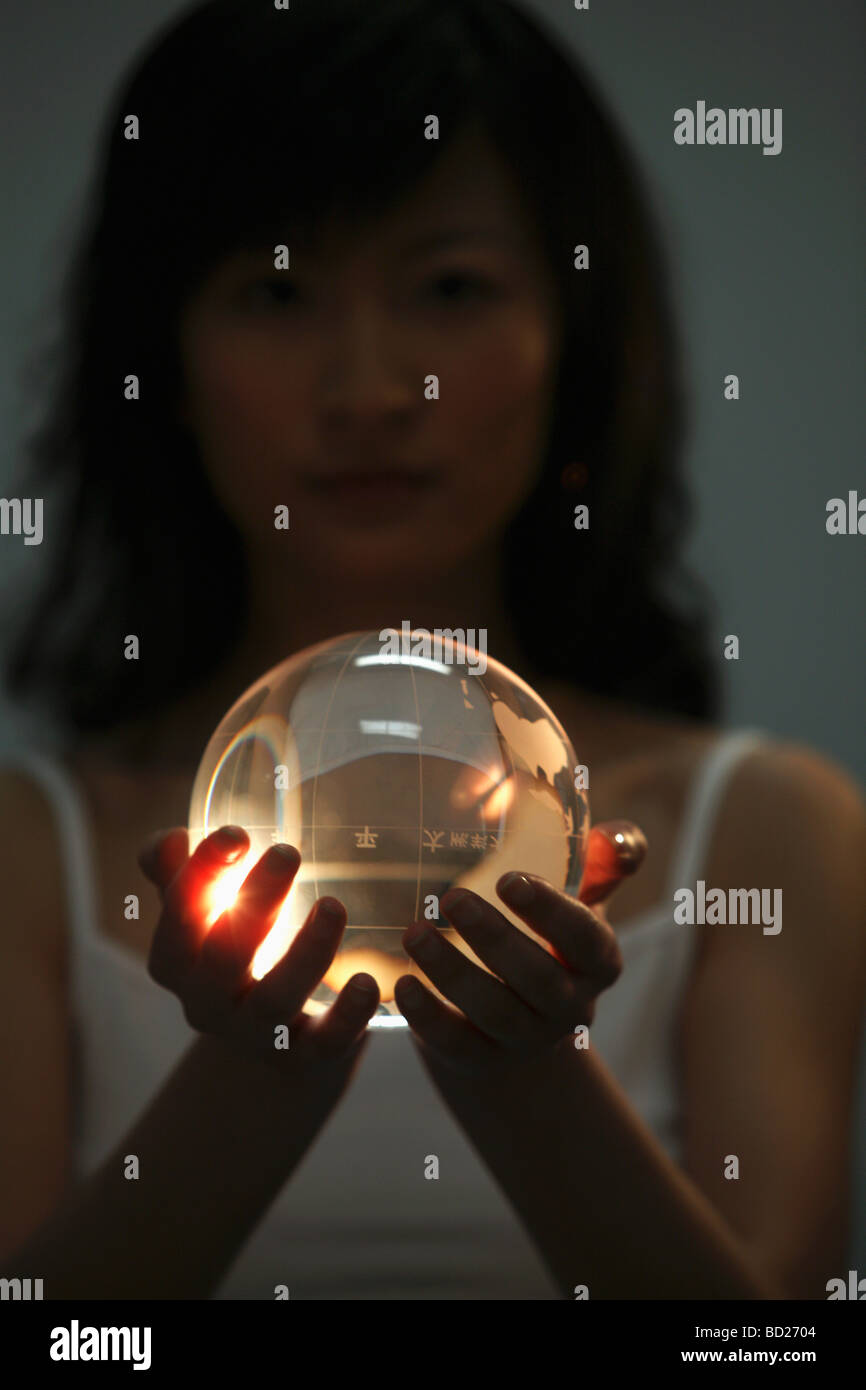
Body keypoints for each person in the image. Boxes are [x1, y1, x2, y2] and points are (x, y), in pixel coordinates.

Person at [1, 0, 864, 1301]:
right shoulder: (33, 848)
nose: (366, 389)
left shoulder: (764, 827)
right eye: (275, 292)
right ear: (162, 359)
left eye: (448, 288)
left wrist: (520, 1071)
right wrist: (257, 1068)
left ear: (569, 344)